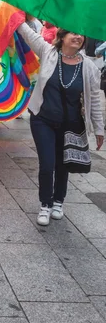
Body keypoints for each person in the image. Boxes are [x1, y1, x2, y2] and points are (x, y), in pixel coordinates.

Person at [17, 21, 104, 226]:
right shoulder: (48, 52)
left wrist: (99, 129)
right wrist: (16, 12)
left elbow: (95, 99)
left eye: (81, 34)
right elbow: (28, 33)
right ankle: (45, 204)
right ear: (62, 36)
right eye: (73, 32)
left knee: (63, 164)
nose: (78, 37)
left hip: (71, 123)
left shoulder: (89, 67)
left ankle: (58, 201)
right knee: (47, 164)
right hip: (43, 119)